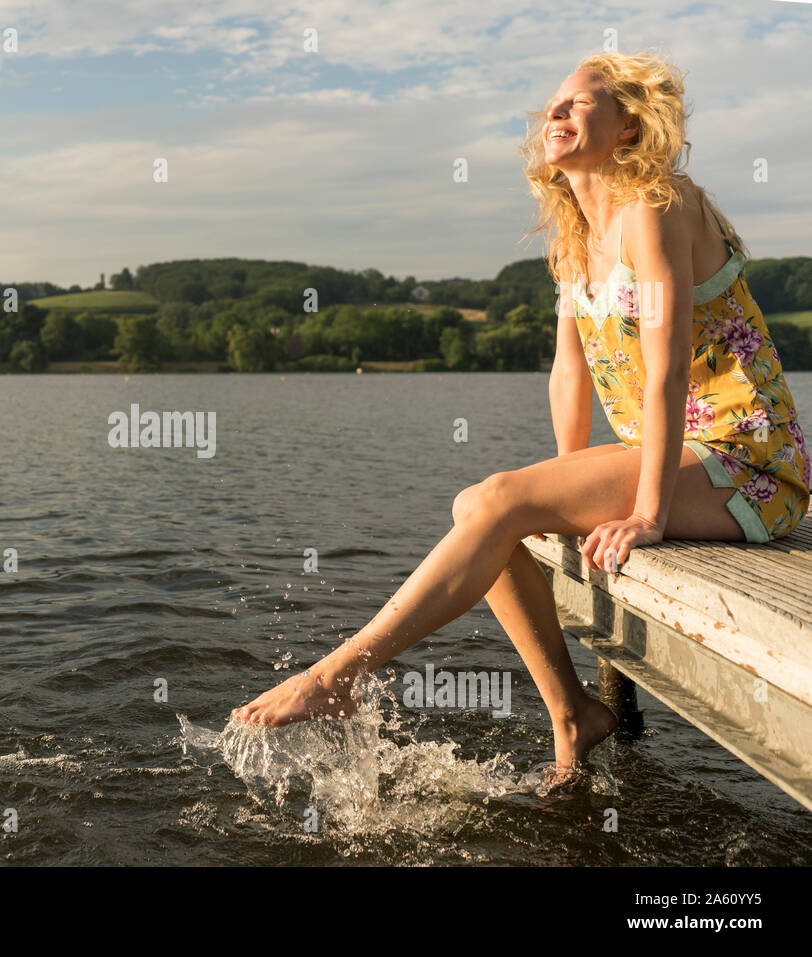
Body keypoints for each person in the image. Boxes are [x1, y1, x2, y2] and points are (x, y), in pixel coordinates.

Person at [231, 50, 810, 775]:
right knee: (485, 504)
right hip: (680, 451)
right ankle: (576, 715)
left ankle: (337, 673)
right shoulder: (574, 237)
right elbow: (571, 372)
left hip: (747, 458)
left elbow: (664, 367)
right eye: (553, 106)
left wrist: (648, 513)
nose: (556, 114)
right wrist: (559, 479)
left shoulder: (657, 206)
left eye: (579, 102)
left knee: (502, 502)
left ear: (630, 125)